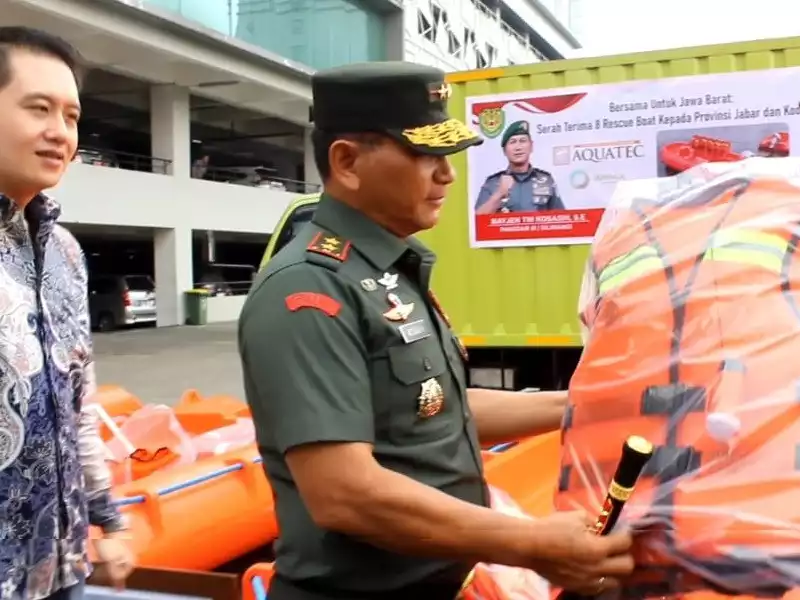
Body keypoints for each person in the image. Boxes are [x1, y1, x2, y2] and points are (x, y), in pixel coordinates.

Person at [238, 61, 634, 600]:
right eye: (425, 155)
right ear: (347, 161)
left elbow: (440, 411)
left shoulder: (384, 271)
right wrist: (532, 543)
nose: (447, 174)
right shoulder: (309, 290)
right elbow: (344, 492)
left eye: (447, 156)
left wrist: (590, 403)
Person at [0, 26, 135, 600]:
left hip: (61, 570)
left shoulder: (67, 255)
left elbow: (79, 406)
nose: (60, 133)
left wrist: (109, 519)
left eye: (72, 116)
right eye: (38, 109)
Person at [474, 120, 565, 214]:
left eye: (523, 141)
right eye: (512, 142)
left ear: (531, 146)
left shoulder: (546, 180)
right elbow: (477, 220)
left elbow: (562, 219)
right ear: (504, 150)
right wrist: (499, 194)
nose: (518, 147)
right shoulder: (493, 182)